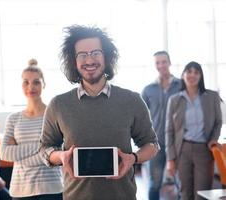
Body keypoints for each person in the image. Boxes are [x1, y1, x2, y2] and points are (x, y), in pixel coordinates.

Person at [39, 25, 159, 200]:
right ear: (74, 60)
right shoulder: (58, 104)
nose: (89, 60)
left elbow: (152, 144)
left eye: (96, 53)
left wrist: (133, 158)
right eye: (82, 55)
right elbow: (44, 148)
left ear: (107, 57)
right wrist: (60, 156)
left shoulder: (132, 100)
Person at [0, 59, 63, 200]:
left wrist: (19, 155)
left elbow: (60, 151)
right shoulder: (13, 118)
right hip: (21, 190)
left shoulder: (54, 114)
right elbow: (4, 153)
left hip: (51, 188)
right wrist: (44, 147)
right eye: (26, 82)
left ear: (44, 84)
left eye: (36, 82)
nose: (31, 87)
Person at [166, 61, 222, 200]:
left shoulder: (212, 97)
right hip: (182, 150)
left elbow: (218, 122)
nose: (192, 75)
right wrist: (170, 158)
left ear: (201, 76)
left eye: (196, 72)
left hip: (203, 149)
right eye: (189, 71)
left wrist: (214, 138)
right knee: (185, 193)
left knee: (202, 194)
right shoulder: (174, 100)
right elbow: (169, 131)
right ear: (183, 75)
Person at [141, 51, 181, 200]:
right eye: (157, 63)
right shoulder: (148, 89)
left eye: (164, 62)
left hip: (177, 143)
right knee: (154, 184)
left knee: (180, 184)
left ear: (169, 63)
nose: (161, 65)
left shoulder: (181, 85)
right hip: (155, 143)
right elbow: (141, 117)